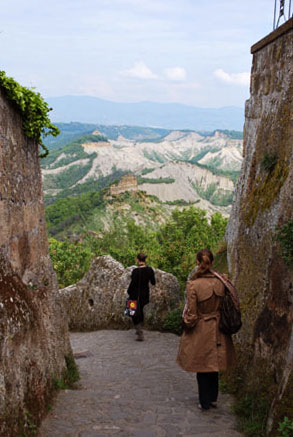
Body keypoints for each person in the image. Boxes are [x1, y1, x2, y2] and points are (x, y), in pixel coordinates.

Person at [177, 248, 235, 410]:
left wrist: (186, 324)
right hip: (218, 327)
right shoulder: (221, 282)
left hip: (202, 328)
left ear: (197, 263)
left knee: (202, 365)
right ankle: (213, 398)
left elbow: (192, 314)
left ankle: (204, 401)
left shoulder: (193, 285)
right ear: (212, 262)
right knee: (214, 364)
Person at [127, 253, 156, 341]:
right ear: (145, 260)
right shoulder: (149, 270)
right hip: (144, 295)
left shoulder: (135, 271)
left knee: (133, 312)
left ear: (137, 260)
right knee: (141, 310)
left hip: (134, 295)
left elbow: (132, 284)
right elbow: (153, 282)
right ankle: (140, 327)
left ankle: (139, 331)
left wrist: (128, 292)